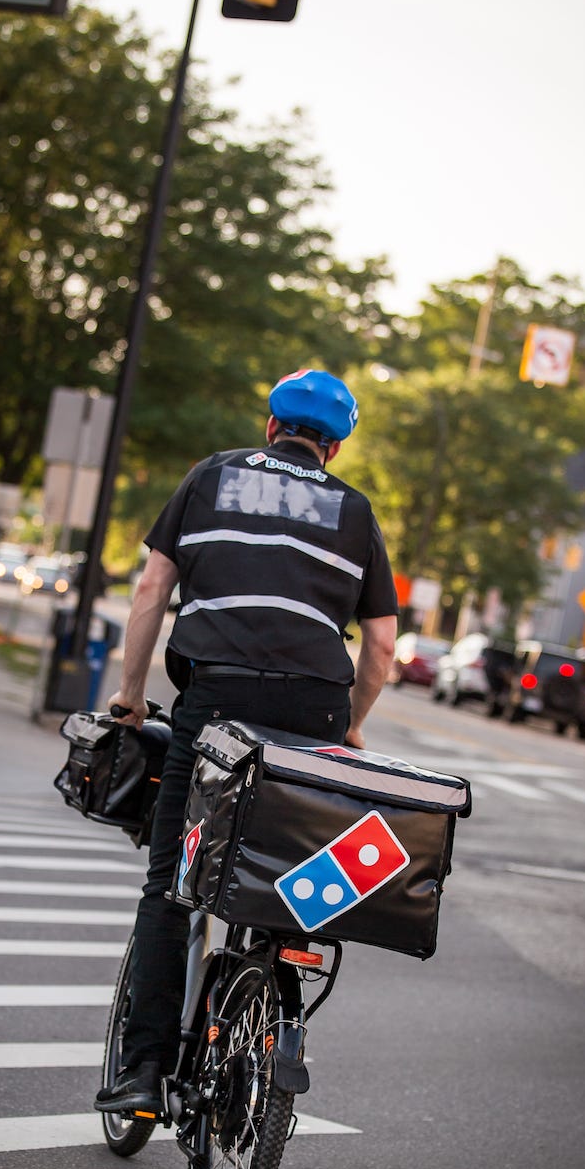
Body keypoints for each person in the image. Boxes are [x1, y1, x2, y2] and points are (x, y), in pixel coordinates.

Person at [94, 367, 398, 1116]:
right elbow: (383, 646)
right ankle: (267, 974)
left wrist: (132, 698)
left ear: (271, 426)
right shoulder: (354, 512)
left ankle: (141, 1076)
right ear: (334, 449)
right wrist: (351, 724)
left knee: (173, 881)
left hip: (218, 699)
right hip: (315, 714)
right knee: (280, 864)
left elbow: (149, 593)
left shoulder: (211, 477)